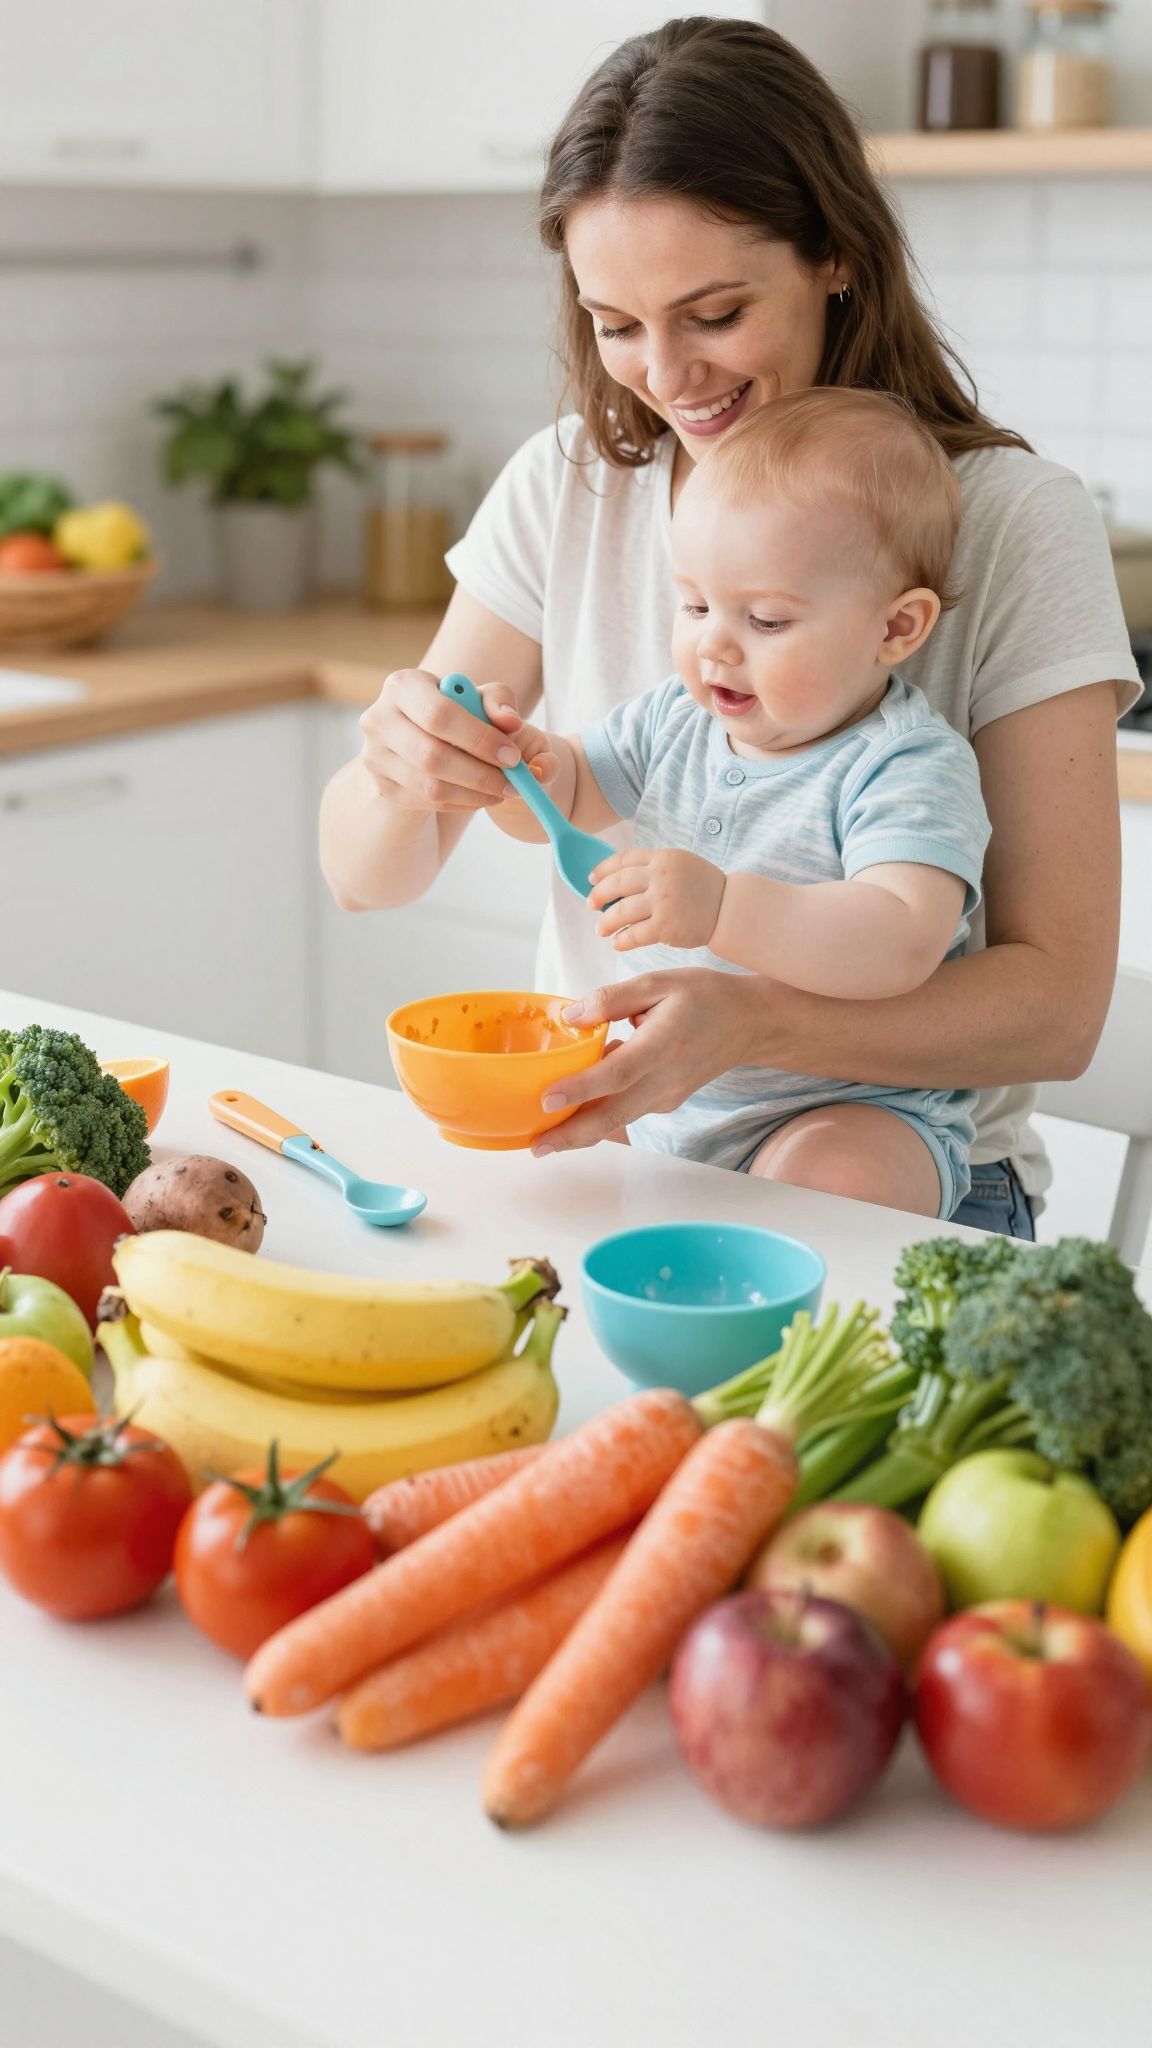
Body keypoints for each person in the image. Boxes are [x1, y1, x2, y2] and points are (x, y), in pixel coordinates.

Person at [319, 16, 1141, 1241]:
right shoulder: (571, 483)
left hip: (897, 1171)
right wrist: (407, 772)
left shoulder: (1015, 523)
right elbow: (367, 875)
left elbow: (1057, 1009)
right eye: (615, 323)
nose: (666, 373)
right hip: (626, 1141)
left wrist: (755, 1017)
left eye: (713, 313)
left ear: (837, 257)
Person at [479, 387, 989, 1219]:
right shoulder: (673, 718)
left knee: (838, 1177)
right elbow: (568, 796)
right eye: (695, 604)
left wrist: (722, 907)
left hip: (846, 1106)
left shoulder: (905, 763)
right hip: (664, 1105)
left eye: (766, 619)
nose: (714, 641)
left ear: (896, 629)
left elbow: (900, 943)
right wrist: (521, 767)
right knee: (536, 1172)